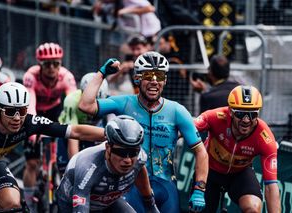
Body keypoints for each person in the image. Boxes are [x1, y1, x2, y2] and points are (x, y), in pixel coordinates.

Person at [78, 51, 209, 213]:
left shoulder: (177, 111)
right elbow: (86, 106)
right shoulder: (125, 103)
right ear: (137, 78)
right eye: (148, 75)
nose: (154, 81)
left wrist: (199, 189)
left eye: (159, 76)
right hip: (132, 185)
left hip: (166, 186)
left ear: (165, 80)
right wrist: (101, 74)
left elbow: (201, 152)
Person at [0, 82, 105, 211]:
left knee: (14, 206)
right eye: (11, 112)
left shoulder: (28, 123)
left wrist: (110, 134)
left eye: (22, 111)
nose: (17, 118)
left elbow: (75, 131)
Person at [193, 85, 281, 213]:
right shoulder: (215, 117)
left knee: (253, 208)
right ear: (230, 111)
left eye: (252, 114)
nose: (246, 120)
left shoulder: (265, 138)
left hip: (239, 174)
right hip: (209, 171)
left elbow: (271, 186)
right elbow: (187, 128)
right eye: (240, 113)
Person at [57, 115, 160, 213]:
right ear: (108, 148)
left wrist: (150, 205)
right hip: (72, 202)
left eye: (133, 153)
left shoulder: (140, 157)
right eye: (121, 153)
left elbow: (140, 169)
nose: (128, 160)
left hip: (106, 200)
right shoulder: (87, 166)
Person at [22, 42, 77, 211]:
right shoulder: (31, 76)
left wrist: (71, 130)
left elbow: (72, 104)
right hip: (35, 109)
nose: (52, 68)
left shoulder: (66, 77)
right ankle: (29, 201)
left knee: (64, 153)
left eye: (56, 63)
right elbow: (30, 104)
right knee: (32, 162)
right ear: (40, 65)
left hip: (55, 110)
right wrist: (32, 133)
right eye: (47, 64)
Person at [58, 72, 110, 162]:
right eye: (89, 102)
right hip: (71, 129)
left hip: (92, 129)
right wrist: (73, 167)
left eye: (97, 104)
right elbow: (72, 135)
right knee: (66, 167)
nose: (92, 109)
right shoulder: (72, 101)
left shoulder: (110, 100)